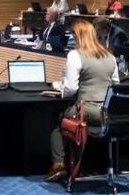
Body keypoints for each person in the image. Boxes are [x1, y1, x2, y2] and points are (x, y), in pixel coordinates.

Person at [45, 19, 119, 182]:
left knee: (57, 118)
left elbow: (70, 88)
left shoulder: (75, 55)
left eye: (73, 36)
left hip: (87, 111)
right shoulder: (110, 56)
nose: (72, 40)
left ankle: (58, 164)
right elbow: (116, 86)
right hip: (110, 114)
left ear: (78, 36)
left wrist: (57, 86)